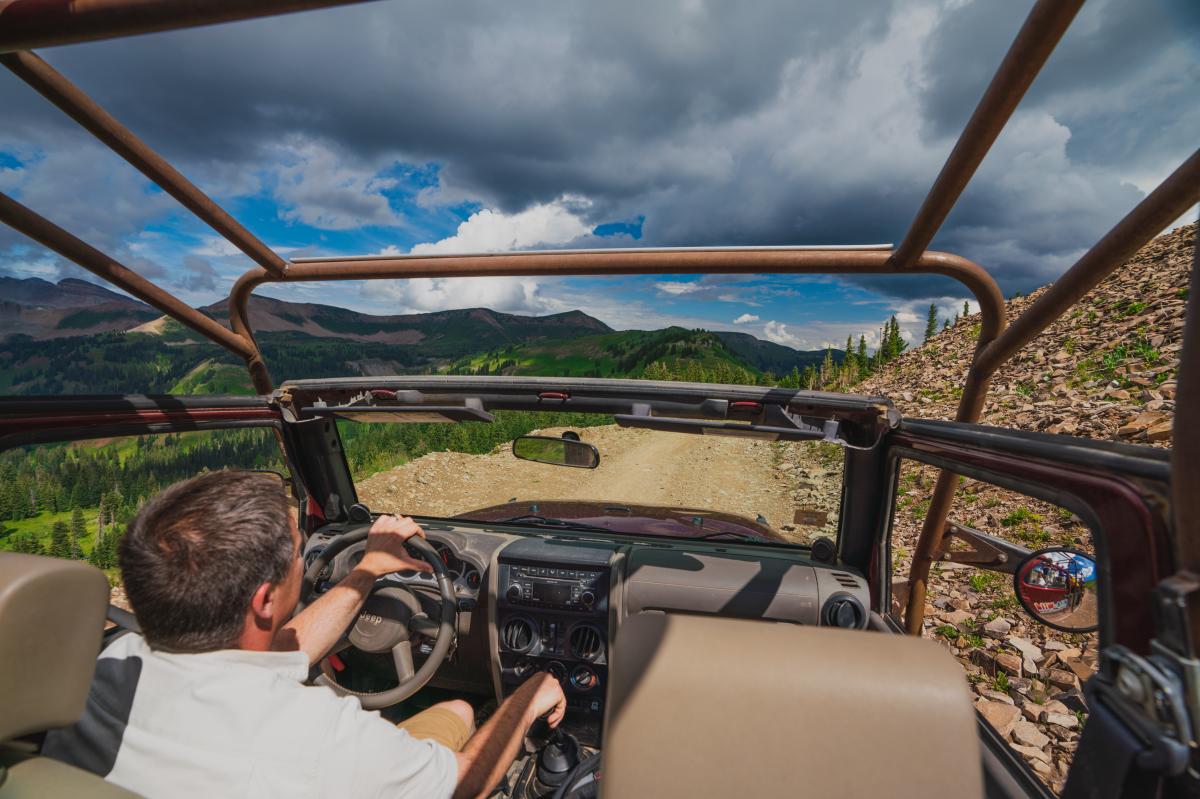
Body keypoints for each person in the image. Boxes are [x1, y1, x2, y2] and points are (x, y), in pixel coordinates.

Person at [42, 470, 566, 799]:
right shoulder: (317, 739)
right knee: (459, 711)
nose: (302, 558)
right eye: (299, 552)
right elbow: (463, 782)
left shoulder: (97, 671)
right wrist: (528, 696)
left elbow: (271, 648)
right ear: (264, 600)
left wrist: (365, 572)